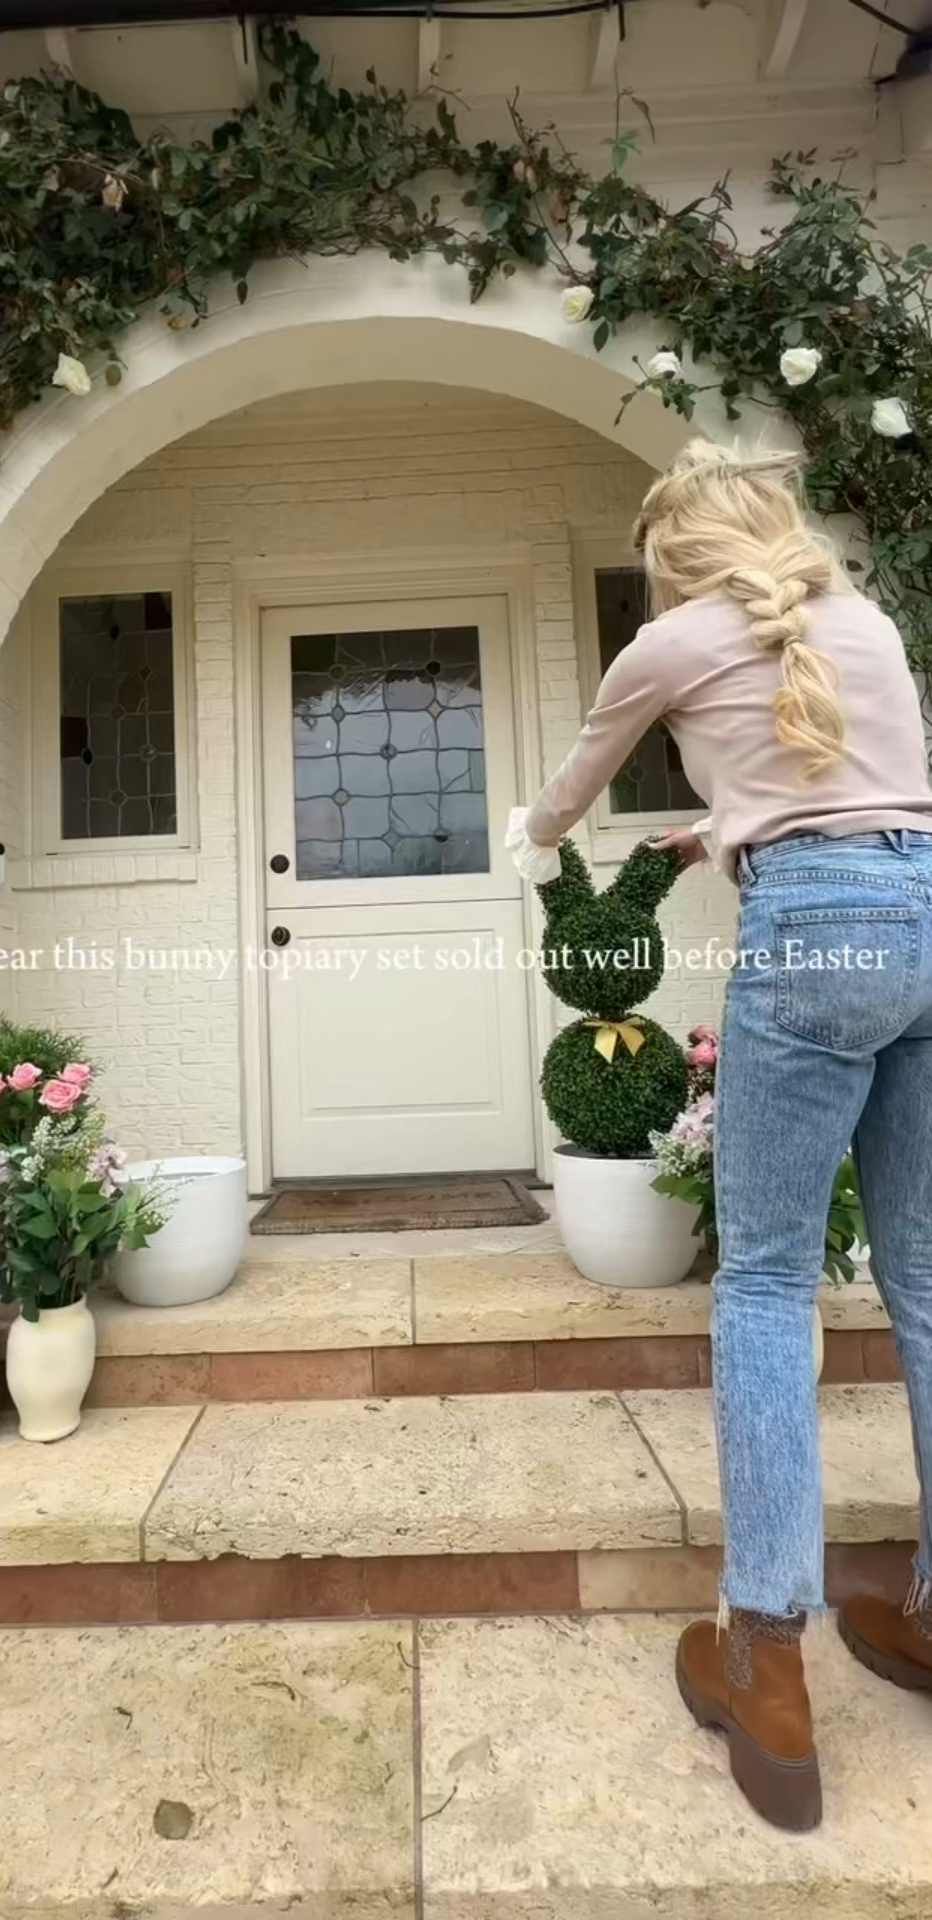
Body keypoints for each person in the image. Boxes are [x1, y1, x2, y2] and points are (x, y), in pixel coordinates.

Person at [506, 439, 932, 1833]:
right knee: (927, 1282)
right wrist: (716, 829)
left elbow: (573, 789)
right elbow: (845, 782)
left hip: (811, 932)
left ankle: (767, 1660)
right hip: (925, 917)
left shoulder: (672, 640)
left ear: (674, 553)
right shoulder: (863, 624)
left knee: (761, 1282)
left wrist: (530, 832)